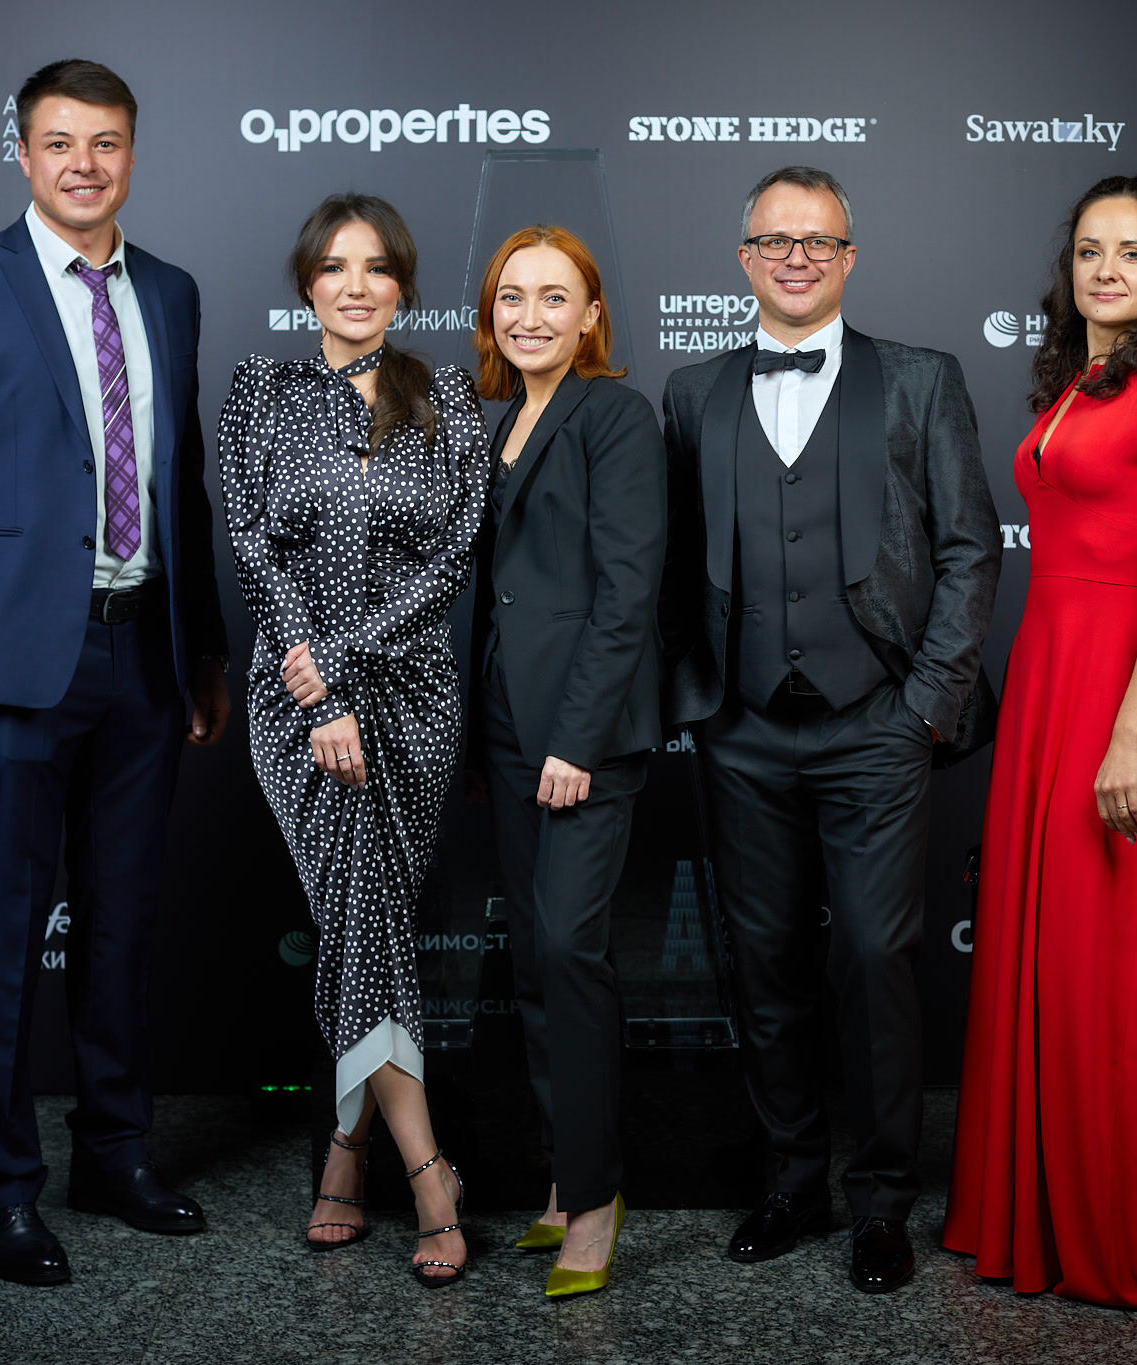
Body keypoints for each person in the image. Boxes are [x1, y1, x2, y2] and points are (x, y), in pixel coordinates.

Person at [0, 59, 229, 1287]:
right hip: (13, 663)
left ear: (132, 153)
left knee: (124, 922)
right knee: (4, 933)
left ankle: (114, 1156)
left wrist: (203, 649)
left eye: (106, 142)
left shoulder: (170, 291)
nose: (85, 164)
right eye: (61, 142)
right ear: (21, 154)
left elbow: (179, 484)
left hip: (145, 653)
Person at [658, 166, 1001, 1295]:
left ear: (849, 257)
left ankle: (881, 1200)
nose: (796, 257)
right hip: (742, 727)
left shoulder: (920, 379)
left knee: (872, 958)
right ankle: (792, 1181)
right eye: (775, 239)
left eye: (819, 241)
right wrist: (697, 701)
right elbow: (668, 565)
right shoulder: (690, 392)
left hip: (877, 724)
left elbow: (968, 548)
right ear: (743, 257)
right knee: (762, 962)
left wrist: (924, 707)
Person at [942, 174, 1137, 1309]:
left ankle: (1102, 1223)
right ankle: (1023, 1205)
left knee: (1099, 958)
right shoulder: (1078, 380)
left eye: (1131, 252)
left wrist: (1128, 734)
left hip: (1113, 692)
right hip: (1047, 681)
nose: (1105, 271)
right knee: (1039, 948)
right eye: (1087, 251)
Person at [219, 193, 489, 1286]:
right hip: (295, 702)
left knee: (366, 919)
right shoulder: (261, 389)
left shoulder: (445, 397)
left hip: (412, 695)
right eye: (334, 267)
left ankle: (344, 1145)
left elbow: (455, 552)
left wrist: (346, 655)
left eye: (376, 267)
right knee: (360, 909)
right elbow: (251, 540)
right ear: (307, 284)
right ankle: (428, 1174)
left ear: (402, 285)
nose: (356, 285)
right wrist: (317, 684)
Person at [466, 226, 665, 1298]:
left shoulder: (614, 416)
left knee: (569, 949)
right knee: (535, 963)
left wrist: (575, 739)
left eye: (555, 297)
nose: (530, 315)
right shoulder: (501, 419)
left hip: (578, 735)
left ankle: (594, 1198)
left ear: (591, 315)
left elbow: (628, 590)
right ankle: (560, 1176)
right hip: (505, 724)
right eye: (512, 297)